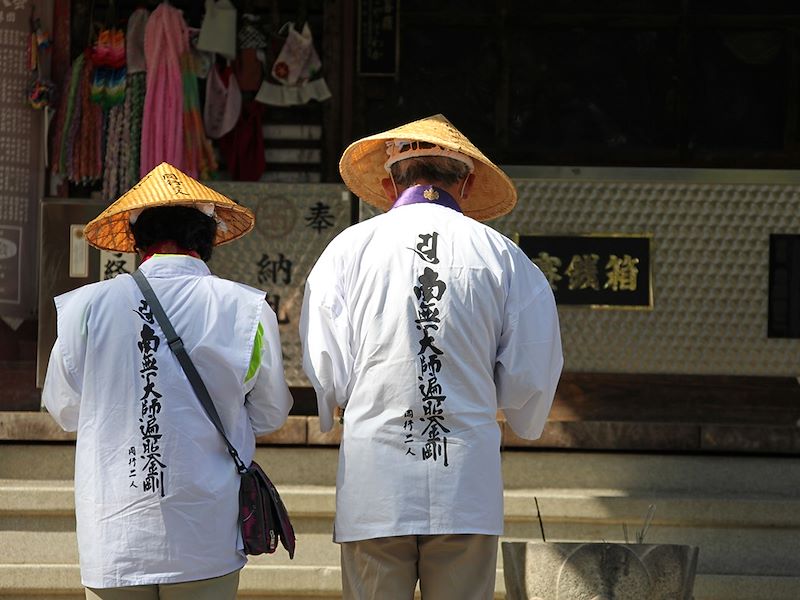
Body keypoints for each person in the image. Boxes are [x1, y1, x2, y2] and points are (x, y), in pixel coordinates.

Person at [299, 114, 563, 599]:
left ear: (387, 181)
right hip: (465, 481)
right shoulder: (504, 256)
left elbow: (326, 370)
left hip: (374, 483)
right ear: (466, 182)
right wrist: (487, 398)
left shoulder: (346, 251)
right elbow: (530, 374)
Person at [42, 162, 293, 600]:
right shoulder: (245, 308)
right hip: (206, 531)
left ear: (137, 244)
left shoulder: (84, 308)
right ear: (207, 238)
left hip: (114, 532)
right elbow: (270, 413)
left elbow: (65, 411)